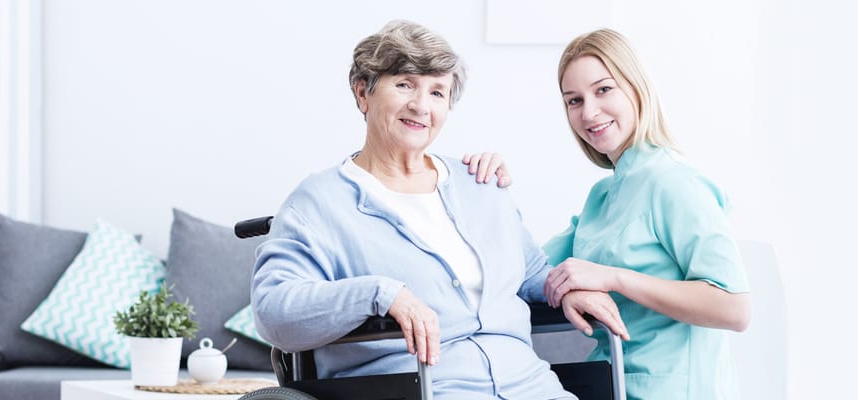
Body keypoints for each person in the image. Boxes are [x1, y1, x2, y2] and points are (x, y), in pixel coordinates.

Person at [250, 20, 626, 399]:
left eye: (437, 92)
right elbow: (273, 311)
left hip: (532, 387)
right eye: (404, 84)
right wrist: (380, 293)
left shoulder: (479, 183)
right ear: (362, 93)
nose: (420, 105)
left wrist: (562, 291)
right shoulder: (318, 203)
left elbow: (528, 273)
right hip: (421, 389)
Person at [465, 28, 751, 400]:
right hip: (609, 384)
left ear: (635, 87)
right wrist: (489, 190)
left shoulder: (675, 184)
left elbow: (734, 307)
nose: (589, 112)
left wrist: (614, 278)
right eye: (574, 100)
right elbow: (526, 271)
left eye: (603, 90)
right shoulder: (602, 197)